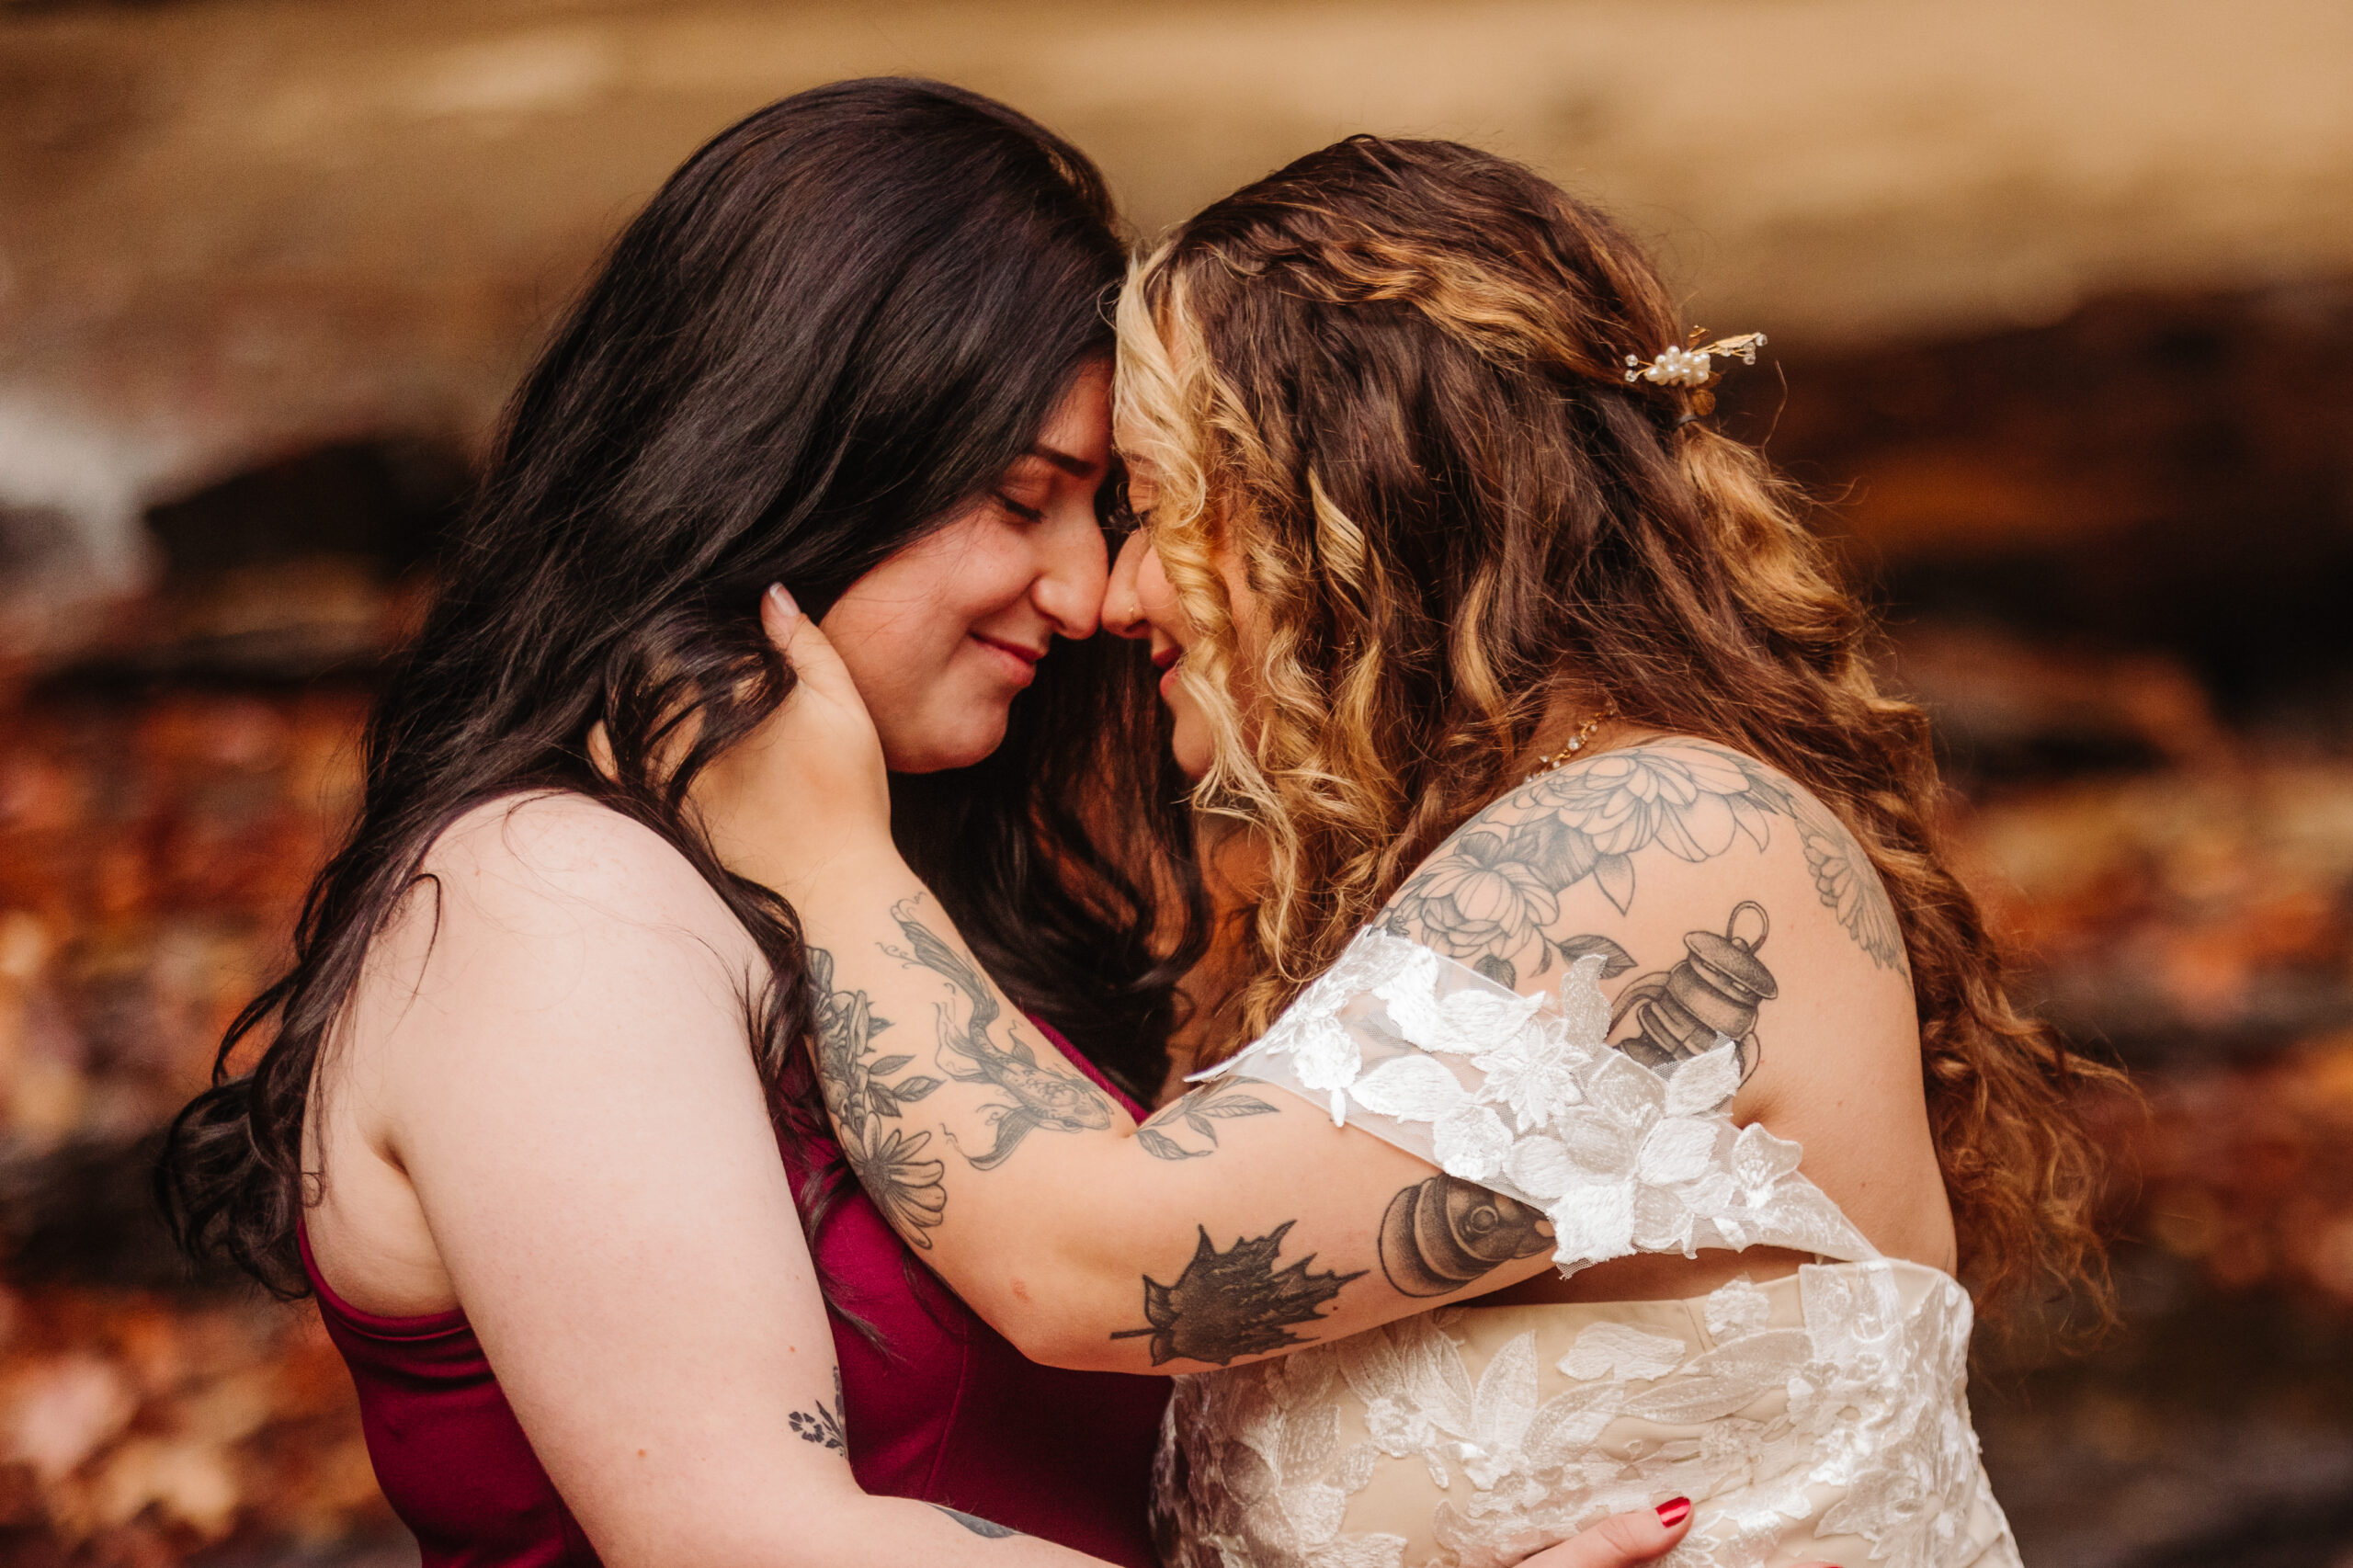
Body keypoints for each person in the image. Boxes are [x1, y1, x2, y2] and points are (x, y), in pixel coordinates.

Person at [154, 79, 1728, 1568]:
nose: (1082, 592)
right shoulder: (548, 899)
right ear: (790, 459)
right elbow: (745, 1535)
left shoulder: (887, 884)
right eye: (1017, 495)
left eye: (1103, 508)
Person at [701, 137, 2118, 1568]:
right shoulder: (1465, 878)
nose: (1120, 591)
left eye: (1155, 501)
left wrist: (824, 858)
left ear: (1349, 505)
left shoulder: (1675, 841)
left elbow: (1098, 1260)